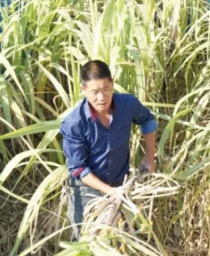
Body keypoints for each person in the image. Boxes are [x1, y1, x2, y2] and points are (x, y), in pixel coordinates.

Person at [60, 60, 157, 240]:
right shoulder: (74, 123)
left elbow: (147, 120)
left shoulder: (127, 105)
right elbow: (79, 169)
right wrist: (110, 191)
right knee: (85, 239)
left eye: (106, 89)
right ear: (83, 90)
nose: (101, 97)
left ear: (112, 84)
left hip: (119, 182)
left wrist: (150, 157)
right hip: (86, 189)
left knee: (120, 237)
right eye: (94, 92)